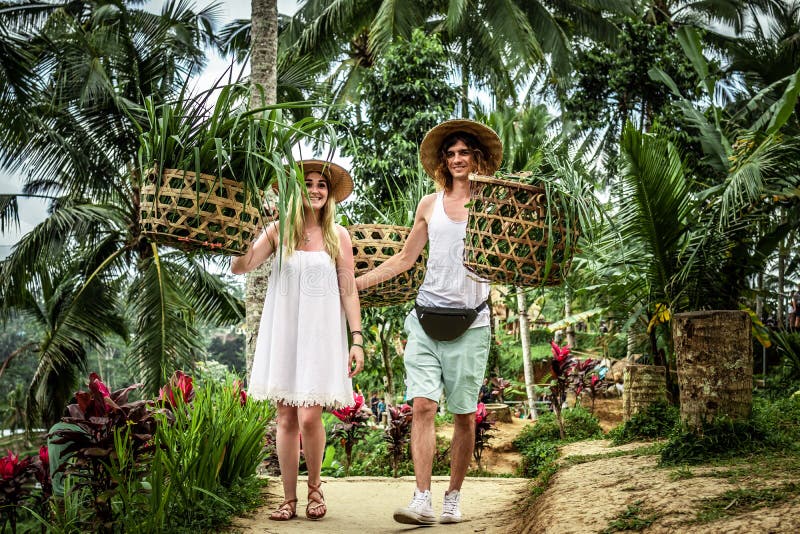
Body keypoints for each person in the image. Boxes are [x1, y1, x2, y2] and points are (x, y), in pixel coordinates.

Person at [356, 119, 502, 525]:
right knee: (422, 405)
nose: (457, 159)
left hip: (472, 322)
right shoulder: (428, 204)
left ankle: (452, 498)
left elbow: (507, 256)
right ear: (443, 161)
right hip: (424, 317)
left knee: (463, 414)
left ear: (477, 158)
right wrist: (356, 282)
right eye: (451, 154)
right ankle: (422, 498)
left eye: (464, 153)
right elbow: (405, 258)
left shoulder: (490, 204)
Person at [232, 159, 364, 522]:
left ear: (330, 194)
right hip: (286, 331)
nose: (316, 189)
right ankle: (288, 499)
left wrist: (357, 338)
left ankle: (316, 487)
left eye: (322, 184)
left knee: (309, 416)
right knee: (286, 416)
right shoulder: (278, 231)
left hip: (320, 335)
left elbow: (348, 289)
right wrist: (238, 230)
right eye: (308, 183)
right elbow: (241, 266)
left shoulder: (339, 236)